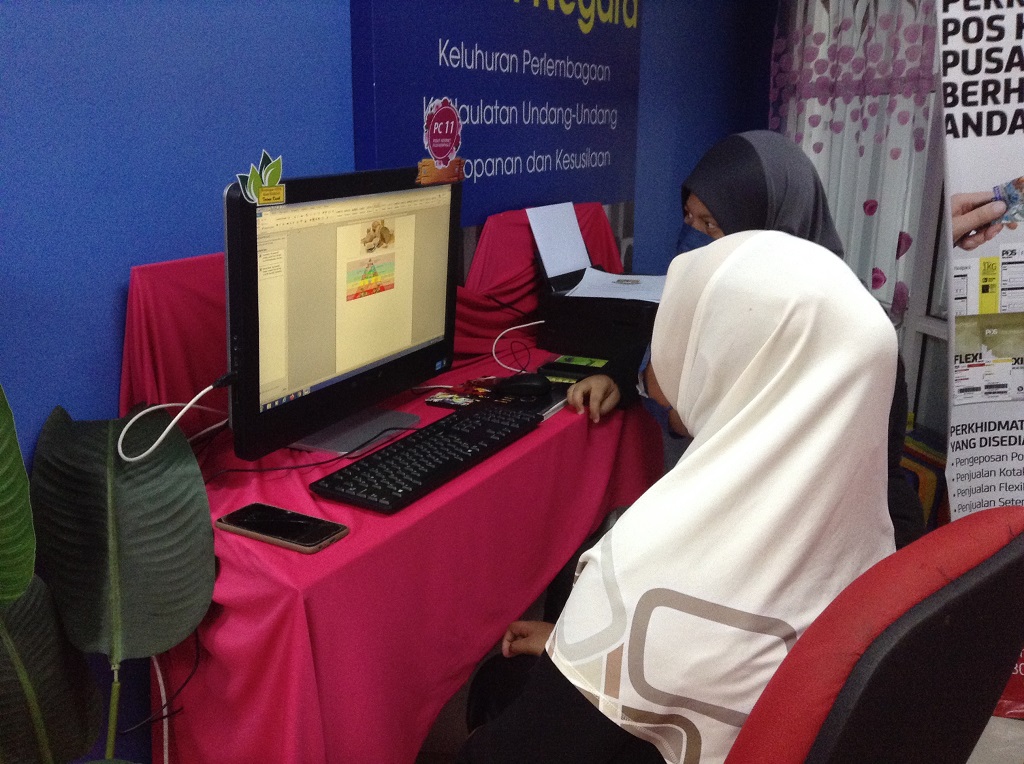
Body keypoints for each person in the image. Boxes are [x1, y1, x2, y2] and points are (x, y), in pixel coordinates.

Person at [457, 229, 899, 764]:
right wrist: (573, 644)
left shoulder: (646, 584)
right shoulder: (874, 544)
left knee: (497, 684)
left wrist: (594, 642)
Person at [567, 130, 925, 549]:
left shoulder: (845, 332)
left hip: (833, 541)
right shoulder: (734, 295)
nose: (693, 238)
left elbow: (700, 422)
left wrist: (675, 403)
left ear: (772, 225)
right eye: (688, 217)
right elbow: (670, 351)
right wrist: (617, 376)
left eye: (711, 224)